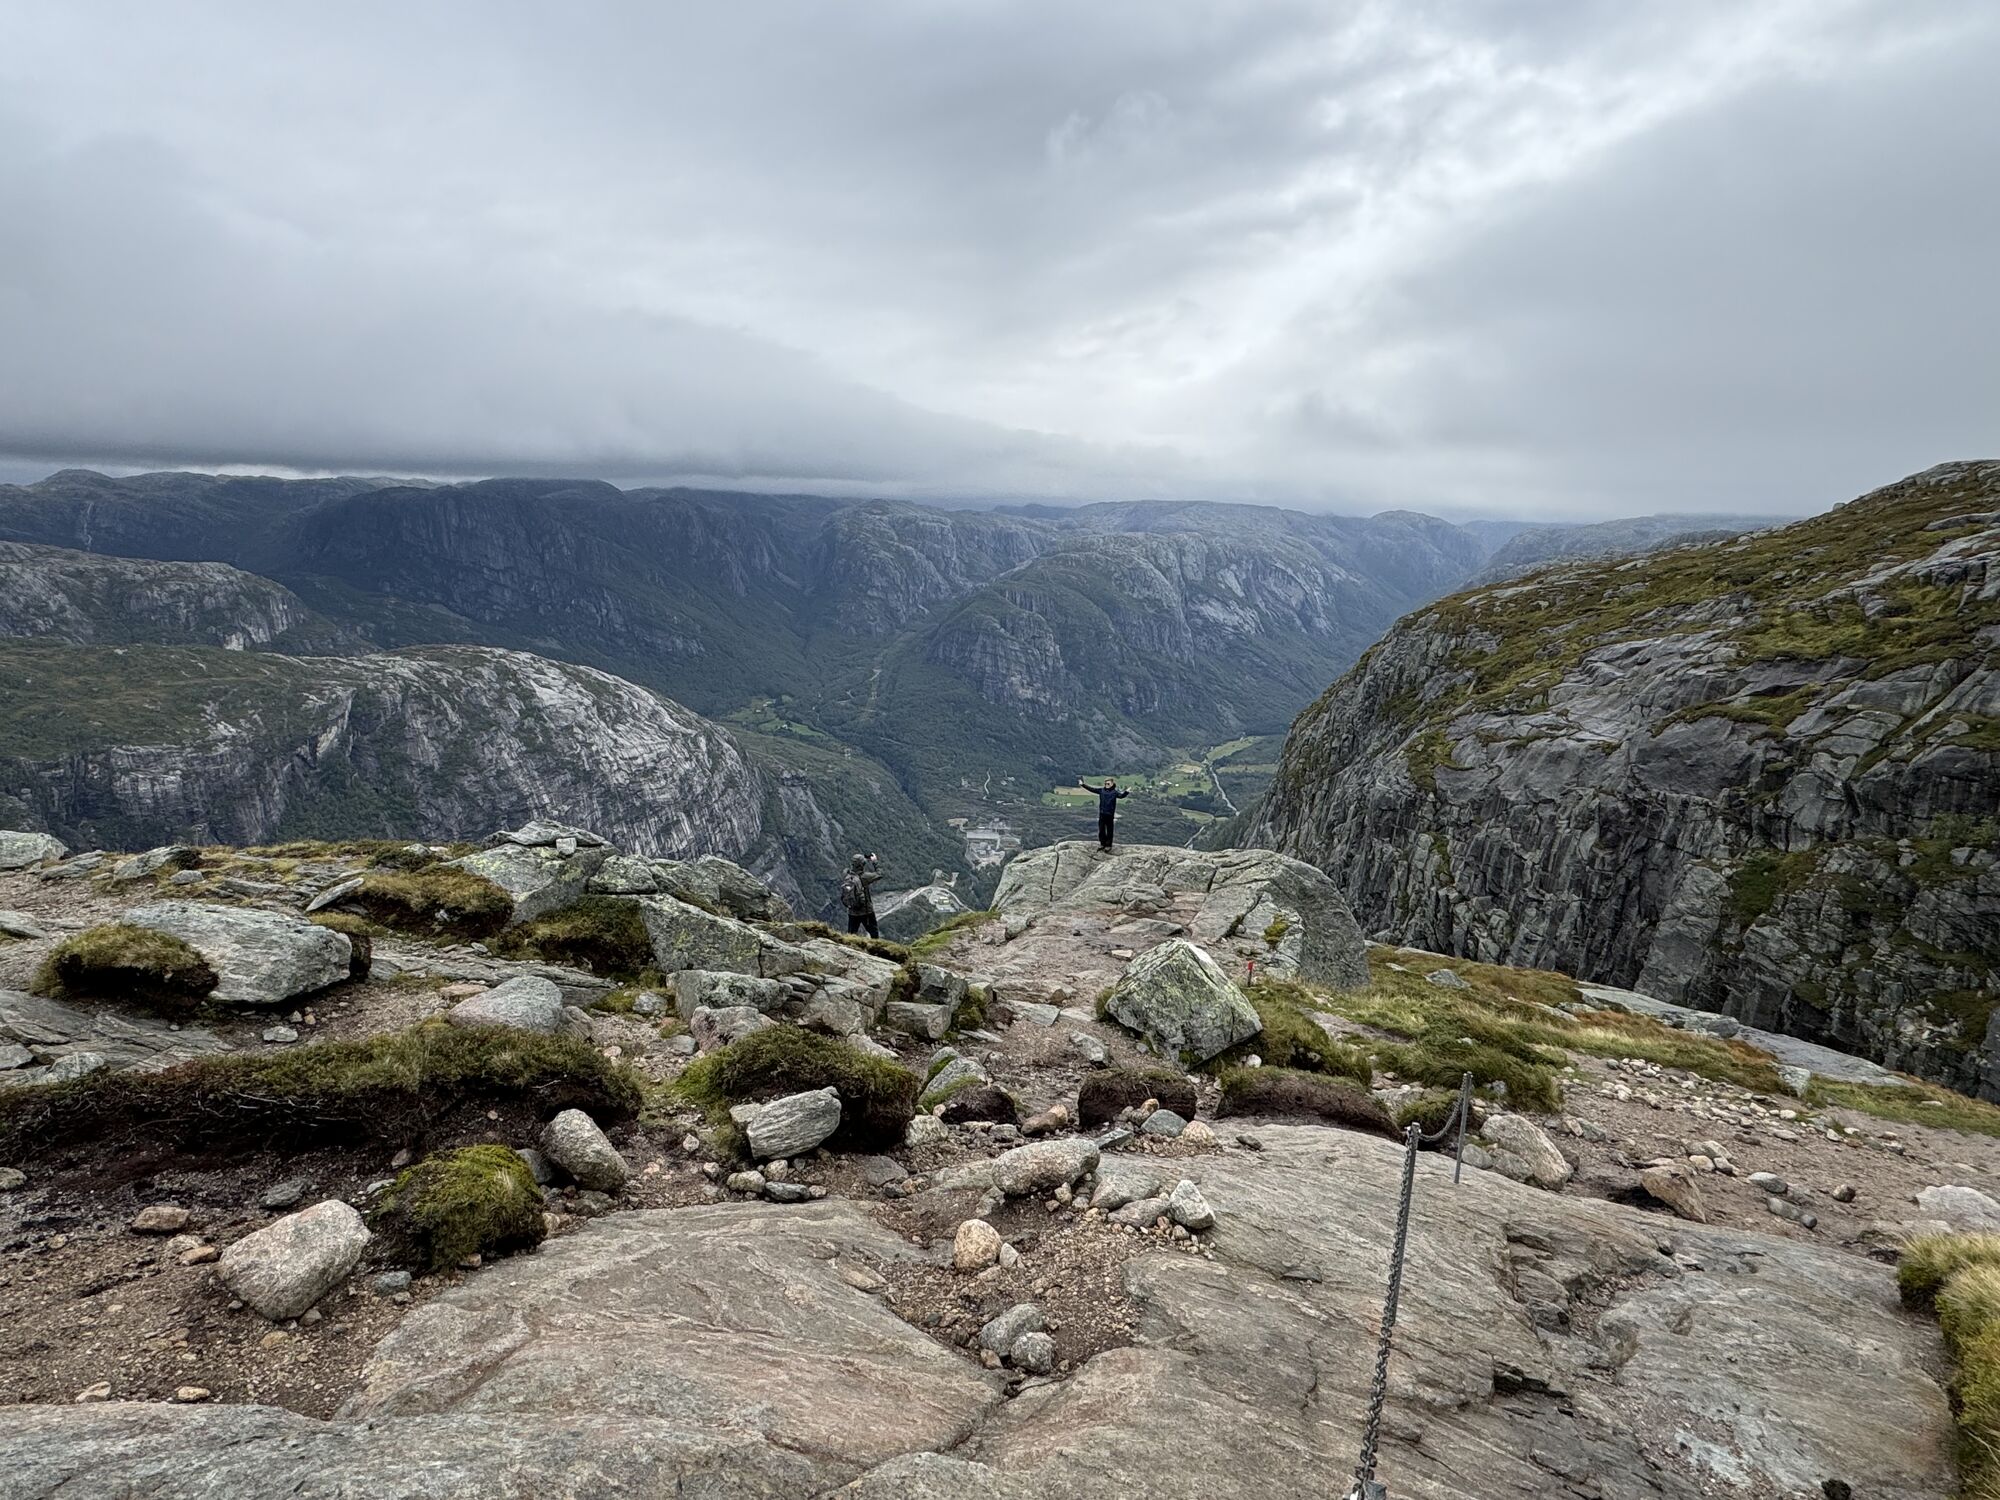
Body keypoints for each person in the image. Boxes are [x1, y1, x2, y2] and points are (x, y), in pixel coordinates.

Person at [1078, 776, 1130, 852]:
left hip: (1110, 814)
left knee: (1109, 830)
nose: (1106, 785)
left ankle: (1108, 845)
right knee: (1101, 830)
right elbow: (1092, 789)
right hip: (1102, 814)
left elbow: (1121, 796)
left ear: (1112, 784)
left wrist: (1126, 792)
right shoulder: (1101, 790)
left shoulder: (1114, 792)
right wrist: (1083, 785)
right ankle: (1102, 844)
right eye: (1105, 783)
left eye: (1108, 784)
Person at [839, 852, 883, 938]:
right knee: (874, 933)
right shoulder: (865, 877)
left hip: (852, 910)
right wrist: (875, 861)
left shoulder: (846, 874)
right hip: (866, 911)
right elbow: (879, 874)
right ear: (862, 865)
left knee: (851, 934)